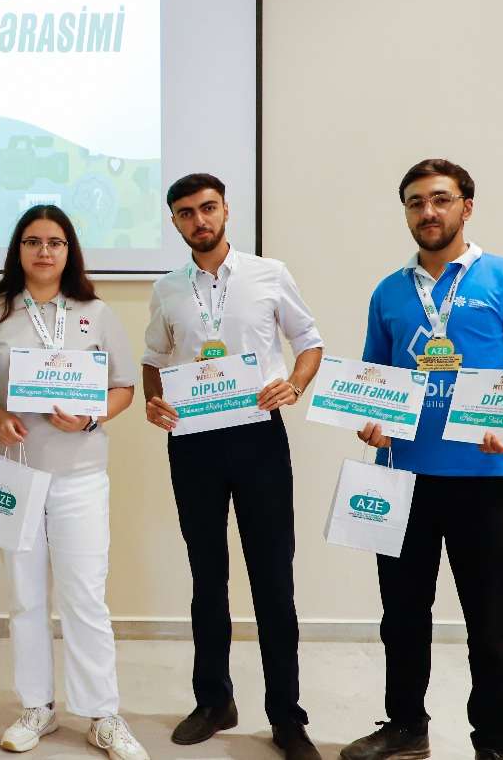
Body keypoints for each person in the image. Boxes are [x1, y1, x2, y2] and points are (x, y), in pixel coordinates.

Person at [340, 159, 503, 760]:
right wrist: (368, 419)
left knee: (490, 621)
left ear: (467, 206)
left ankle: (494, 743)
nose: (427, 212)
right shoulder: (389, 290)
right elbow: (373, 377)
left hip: (482, 479)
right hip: (402, 477)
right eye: (415, 202)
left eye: (440, 199)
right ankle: (406, 726)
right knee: (402, 615)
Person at [142, 174, 323, 760]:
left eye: (208, 208)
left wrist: (294, 384)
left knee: (273, 580)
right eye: (186, 212)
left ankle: (287, 716)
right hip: (193, 442)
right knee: (206, 575)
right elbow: (153, 358)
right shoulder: (167, 289)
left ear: (226, 211)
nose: (199, 220)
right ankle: (214, 700)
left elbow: (309, 341)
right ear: (175, 221)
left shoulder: (270, 273)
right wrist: (153, 400)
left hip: (257, 438)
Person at [0, 205, 149, 760]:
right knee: (24, 598)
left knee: (85, 596)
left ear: (70, 251)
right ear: (17, 250)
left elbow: (123, 388)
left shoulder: (96, 312)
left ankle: (101, 714)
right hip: (13, 473)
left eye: (55, 242)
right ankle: (37, 707)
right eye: (32, 241)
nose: (44, 251)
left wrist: (91, 417)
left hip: (80, 475)